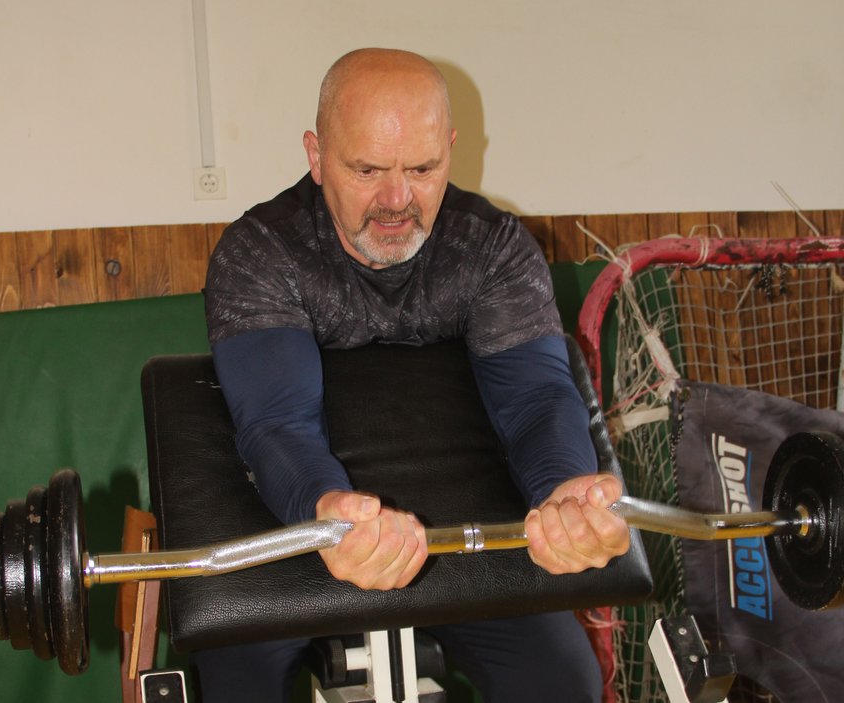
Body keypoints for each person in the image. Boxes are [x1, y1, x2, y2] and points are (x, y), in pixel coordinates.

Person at [201, 47, 630, 703]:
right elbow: (276, 420)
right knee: (233, 683)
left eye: (423, 168)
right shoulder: (263, 251)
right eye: (367, 169)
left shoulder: (490, 247)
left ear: (451, 152)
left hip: (464, 542)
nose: (397, 200)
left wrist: (564, 493)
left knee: (564, 679)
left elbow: (538, 398)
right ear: (317, 157)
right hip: (303, 531)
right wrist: (328, 515)